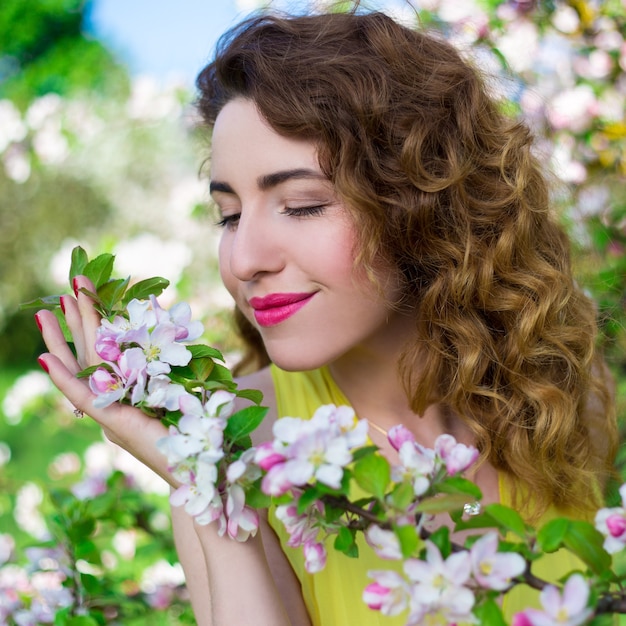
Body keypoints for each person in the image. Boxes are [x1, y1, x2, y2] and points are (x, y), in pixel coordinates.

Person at [35, 7, 617, 626]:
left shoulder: (559, 400)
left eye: (303, 205)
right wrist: (206, 483)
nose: (245, 257)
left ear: (424, 208)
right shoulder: (234, 450)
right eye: (229, 215)